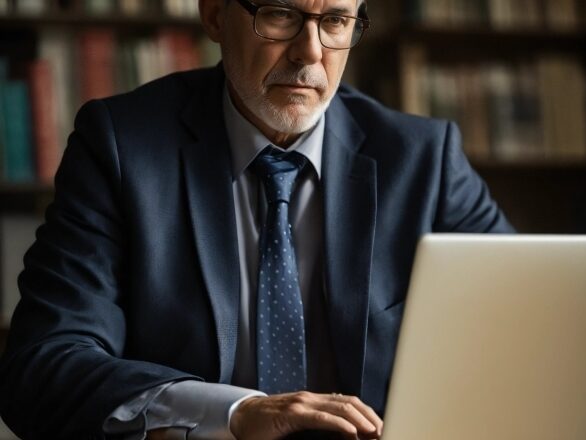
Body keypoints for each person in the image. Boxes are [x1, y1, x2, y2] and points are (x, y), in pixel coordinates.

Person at [0, 0, 514, 438]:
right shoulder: (121, 146)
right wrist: (231, 414)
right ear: (215, 15)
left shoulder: (425, 161)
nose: (311, 52)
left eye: (335, 21)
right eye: (280, 15)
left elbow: (523, 331)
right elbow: (43, 366)